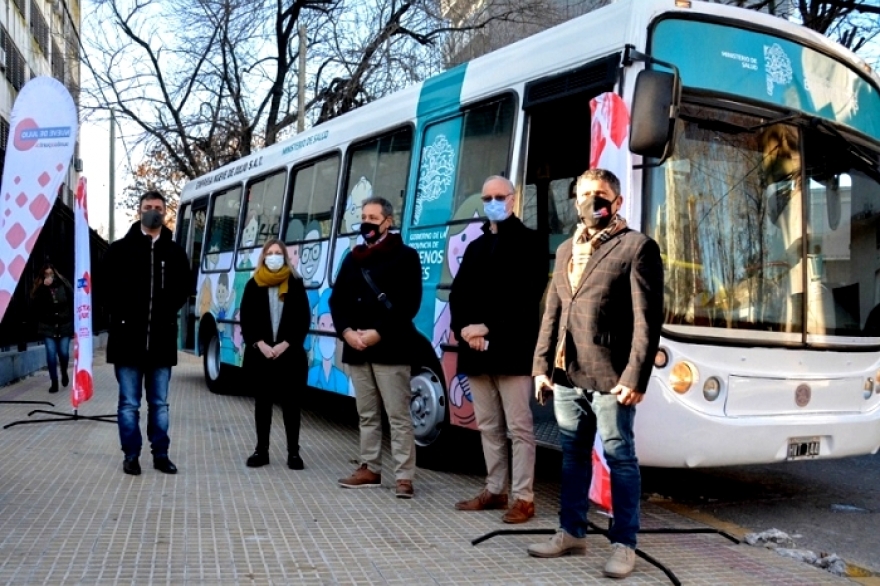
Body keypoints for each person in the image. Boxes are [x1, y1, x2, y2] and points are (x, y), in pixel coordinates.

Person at [527, 169, 663, 579]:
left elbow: (647, 320)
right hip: (566, 374)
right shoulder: (567, 248)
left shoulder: (637, 247)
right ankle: (571, 531)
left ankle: (624, 544)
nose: (591, 202)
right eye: (584, 195)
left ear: (617, 202)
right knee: (572, 457)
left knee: (621, 458)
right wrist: (541, 367)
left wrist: (636, 377)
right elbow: (553, 311)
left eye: (600, 195)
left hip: (611, 377)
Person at [449, 176, 547, 524]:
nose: (492, 201)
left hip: (512, 350)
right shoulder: (475, 246)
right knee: (488, 426)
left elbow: (526, 299)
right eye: (487, 196)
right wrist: (466, 329)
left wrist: (487, 326)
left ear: (513, 199)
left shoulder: (531, 242)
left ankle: (524, 498)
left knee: (519, 428)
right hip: (476, 350)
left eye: (499, 196)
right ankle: (495, 489)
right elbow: (458, 295)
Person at [330, 196, 422, 499]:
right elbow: (337, 300)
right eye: (364, 216)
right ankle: (369, 467)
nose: (366, 222)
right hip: (356, 347)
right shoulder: (352, 257)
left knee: (398, 415)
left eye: (373, 217)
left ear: (388, 222)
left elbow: (409, 303)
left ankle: (404, 476)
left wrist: (378, 333)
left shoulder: (406, 256)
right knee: (367, 413)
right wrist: (345, 332)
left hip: (390, 347)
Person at [103, 190, 191, 476]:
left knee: (160, 404)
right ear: (139, 211)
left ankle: (161, 454)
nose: (153, 211)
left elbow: (183, 289)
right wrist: (125, 315)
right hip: (127, 341)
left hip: (161, 341)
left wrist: (165, 312)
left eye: (158, 207)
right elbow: (106, 291)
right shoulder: (119, 250)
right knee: (129, 404)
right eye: (147, 207)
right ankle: (131, 455)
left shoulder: (175, 252)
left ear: (166, 212)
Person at [239, 238, 311, 469]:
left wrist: (285, 344)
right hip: (262, 355)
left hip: (289, 355)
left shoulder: (295, 282)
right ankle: (262, 451)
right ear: (263, 257)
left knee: (291, 405)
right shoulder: (254, 284)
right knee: (263, 405)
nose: (273, 256)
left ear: (285, 257)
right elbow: (246, 318)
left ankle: (293, 453)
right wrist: (260, 344)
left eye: (278, 252)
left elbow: (303, 318)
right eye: (269, 252)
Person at [31, 264, 74, 394]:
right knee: (51, 354)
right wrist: (44, 287)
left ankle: (64, 372)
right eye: (46, 274)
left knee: (64, 353)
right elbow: (35, 304)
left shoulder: (63, 284)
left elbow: (71, 298)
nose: (49, 276)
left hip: (64, 325)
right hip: (48, 326)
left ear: (55, 273)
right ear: (43, 275)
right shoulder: (40, 288)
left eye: (51, 273)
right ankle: (54, 381)